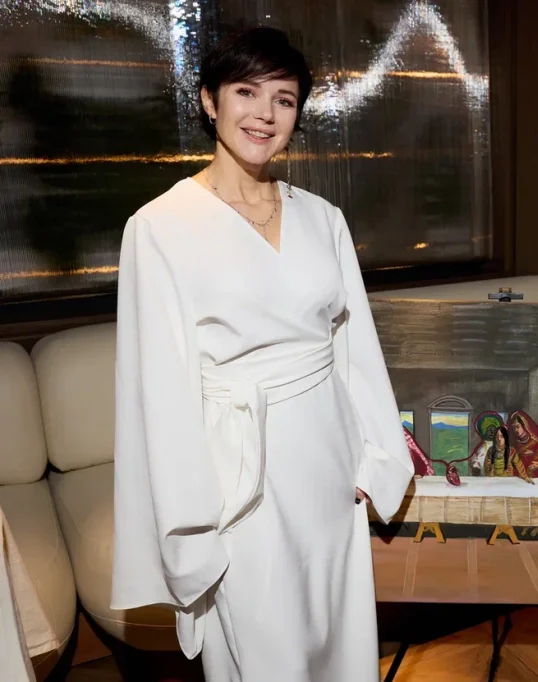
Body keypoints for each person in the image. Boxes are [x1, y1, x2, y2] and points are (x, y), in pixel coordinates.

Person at [109, 27, 414, 682]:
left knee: (338, 645)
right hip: (237, 482)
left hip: (328, 471)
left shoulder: (323, 218)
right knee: (263, 651)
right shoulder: (159, 227)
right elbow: (160, 390)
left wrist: (373, 459)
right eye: (246, 92)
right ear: (209, 101)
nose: (265, 114)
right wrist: (191, 524)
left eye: (284, 99)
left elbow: (353, 347)